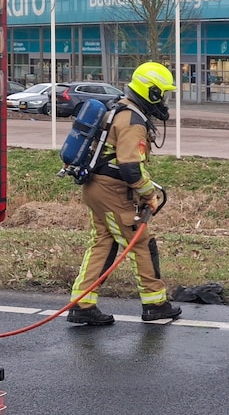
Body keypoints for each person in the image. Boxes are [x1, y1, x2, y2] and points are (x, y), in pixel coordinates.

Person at [67, 61, 181, 326]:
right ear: (151, 92)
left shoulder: (119, 108)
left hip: (97, 187)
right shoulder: (133, 121)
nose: (163, 100)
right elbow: (131, 167)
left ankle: (82, 304)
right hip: (112, 191)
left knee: (103, 243)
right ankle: (156, 304)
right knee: (141, 242)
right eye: (161, 93)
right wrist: (149, 193)